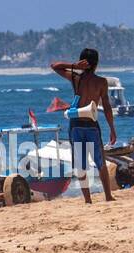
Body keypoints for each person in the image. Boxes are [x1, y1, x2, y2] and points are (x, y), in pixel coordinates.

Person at [50, 49, 117, 204]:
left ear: (82, 62)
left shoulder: (75, 78)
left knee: (80, 164)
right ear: (97, 63)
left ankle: (88, 200)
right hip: (92, 125)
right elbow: (106, 107)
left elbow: (55, 66)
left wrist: (74, 65)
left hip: (76, 125)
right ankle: (108, 196)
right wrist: (112, 129)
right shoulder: (101, 82)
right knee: (100, 162)